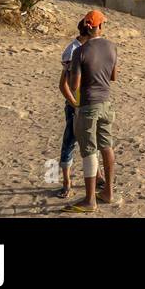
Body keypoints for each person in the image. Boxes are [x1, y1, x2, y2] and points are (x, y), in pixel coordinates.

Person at [62, 10, 119, 213]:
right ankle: (109, 193)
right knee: (107, 146)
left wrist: (69, 72)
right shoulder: (111, 47)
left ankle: (89, 200)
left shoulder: (80, 51)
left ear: (86, 26)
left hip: (87, 105)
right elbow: (113, 76)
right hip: (106, 102)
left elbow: (75, 84)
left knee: (89, 151)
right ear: (100, 26)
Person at [55, 18, 91, 199]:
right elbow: (64, 84)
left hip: (89, 104)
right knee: (69, 143)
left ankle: (97, 177)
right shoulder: (72, 51)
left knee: (90, 144)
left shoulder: (89, 48)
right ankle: (67, 183)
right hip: (75, 106)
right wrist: (74, 104)